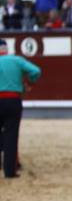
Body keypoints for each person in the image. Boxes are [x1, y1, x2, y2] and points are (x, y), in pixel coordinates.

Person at [0, 40, 41, 178]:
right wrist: (29, 82)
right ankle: (10, 171)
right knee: (11, 136)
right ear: (7, 49)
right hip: (13, 100)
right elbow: (36, 71)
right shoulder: (16, 60)